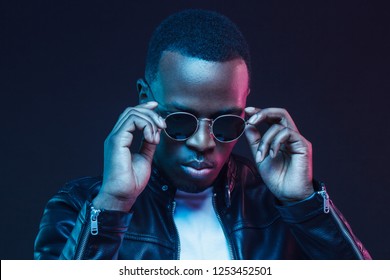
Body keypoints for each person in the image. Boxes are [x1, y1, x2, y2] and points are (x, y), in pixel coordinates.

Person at [34, 9, 371, 260]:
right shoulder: (82, 207)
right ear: (144, 100)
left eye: (226, 123)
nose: (203, 143)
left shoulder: (277, 207)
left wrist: (304, 205)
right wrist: (113, 206)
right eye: (181, 121)